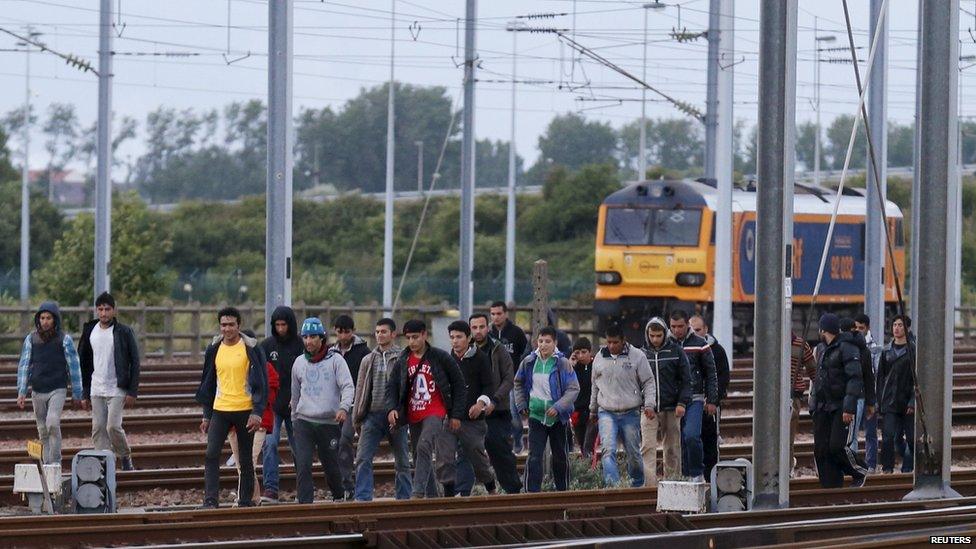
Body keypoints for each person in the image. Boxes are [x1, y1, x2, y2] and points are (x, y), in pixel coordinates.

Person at [195, 307, 268, 508]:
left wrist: (257, 412)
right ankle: (211, 499)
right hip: (221, 409)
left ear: (239, 326)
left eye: (231, 325)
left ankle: (245, 500)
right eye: (223, 325)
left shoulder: (251, 348)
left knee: (245, 459)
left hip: (244, 409)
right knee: (211, 453)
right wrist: (206, 415)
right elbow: (208, 383)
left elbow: (262, 381)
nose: (227, 329)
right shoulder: (214, 349)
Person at [386, 319, 466, 499]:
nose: (412, 342)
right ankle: (432, 497)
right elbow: (391, 386)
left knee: (424, 445)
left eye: (415, 337)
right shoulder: (403, 360)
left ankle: (418, 492)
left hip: (435, 411)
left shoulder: (440, 357)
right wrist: (392, 408)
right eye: (408, 338)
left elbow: (459, 384)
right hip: (414, 413)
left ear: (424, 335)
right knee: (419, 454)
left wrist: (455, 414)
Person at [291, 317, 354, 503]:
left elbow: (348, 386)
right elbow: (295, 394)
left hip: (328, 421)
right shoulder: (299, 362)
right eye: (305, 337)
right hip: (304, 421)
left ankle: (338, 496)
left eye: (313, 337)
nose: (309, 341)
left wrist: (344, 407)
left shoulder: (336, 360)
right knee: (302, 464)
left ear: (322, 338)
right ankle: (305, 504)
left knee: (331, 466)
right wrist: (294, 417)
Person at [78, 292, 140, 471]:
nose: (104, 313)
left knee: (113, 426)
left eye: (107, 309)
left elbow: (134, 362)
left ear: (114, 310)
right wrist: (84, 391)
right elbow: (84, 362)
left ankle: (125, 455)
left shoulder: (123, 332)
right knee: (98, 428)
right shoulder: (90, 330)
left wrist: (132, 391)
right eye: (100, 309)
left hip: (117, 387)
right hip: (96, 387)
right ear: (96, 311)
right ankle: (104, 464)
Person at [352, 318, 412, 501]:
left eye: (384, 332)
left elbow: (407, 387)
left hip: (396, 416)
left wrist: (403, 413)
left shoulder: (403, 357)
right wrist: (357, 418)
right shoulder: (368, 360)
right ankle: (362, 497)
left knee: (402, 460)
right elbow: (361, 389)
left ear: (393, 334)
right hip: (372, 415)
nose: (379, 335)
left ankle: (404, 497)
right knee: (363, 457)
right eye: (377, 332)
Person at [17, 301, 84, 465]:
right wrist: (22, 391)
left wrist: (77, 393)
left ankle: (56, 461)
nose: (45, 321)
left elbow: (74, 367)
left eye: (48, 318)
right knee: (42, 429)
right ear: (38, 319)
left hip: (58, 389)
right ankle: (46, 463)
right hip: (38, 390)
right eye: (42, 318)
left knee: (52, 423)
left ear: (55, 320)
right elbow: (25, 365)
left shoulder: (64, 339)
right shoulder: (31, 339)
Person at [514, 326, 580, 492]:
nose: (543, 345)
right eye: (541, 341)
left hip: (558, 418)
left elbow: (573, 388)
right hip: (536, 415)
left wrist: (558, 407)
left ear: (555, 343)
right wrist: (522, 404)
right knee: (534, 456)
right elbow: (518, 382)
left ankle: (562, 490)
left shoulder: (562, 363)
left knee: (560, 456)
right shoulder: (529, 362)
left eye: (547, 341)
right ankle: (532, 491)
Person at [590, 324, 656, 488]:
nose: (611, 346)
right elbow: (595, 385)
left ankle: (637, 483)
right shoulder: (599, 357)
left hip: (630, 412)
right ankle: (614, 487)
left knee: (633, 453)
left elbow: (648, 381)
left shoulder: (637, 356)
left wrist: (649, 404)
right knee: (607, 450)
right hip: (606, 411)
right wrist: (592, 409)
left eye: (615, 342)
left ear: (623, 341)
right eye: (609, 342)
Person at [436, 320, 497, 497]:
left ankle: (491, 489)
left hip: (472, 420)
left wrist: (480, 404)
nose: (455, 341)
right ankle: (448, 496)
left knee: (477, 457)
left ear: (468, 338)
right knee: (444, 457)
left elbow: (488, 386)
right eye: (452, 337)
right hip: (449, 417)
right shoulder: (447, 360)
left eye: (459, 337)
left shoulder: (480, 359)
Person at [464, 313, 521, 494]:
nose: (478, 331)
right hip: (472, 411)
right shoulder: (466, 349)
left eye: (482, 327)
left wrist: (495, 400)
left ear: (487, 327)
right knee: (467, 453)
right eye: (474, 327)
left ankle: (513, 492)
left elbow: (508, 378)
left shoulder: (498, 349)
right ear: (470, 329)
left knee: (500, 451)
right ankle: (464, 492)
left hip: (497, 410)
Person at [811, 313, 868, 489]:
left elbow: (854, 379)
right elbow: (818, 380)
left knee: (836, 446)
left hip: (840, 406)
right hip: (822, 407)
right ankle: (830, 486)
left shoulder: (847, 348)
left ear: (823, 329)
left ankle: (859, 471)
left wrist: (849, 408)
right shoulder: (821, 349)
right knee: (821, 448)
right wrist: (814, 405)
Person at [258, 306, 304, 502]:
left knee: (300, 448)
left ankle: (303, 488)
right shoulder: (267, 346)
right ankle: (270, 488)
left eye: (284, 324)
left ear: (290, 325)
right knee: (269, 445)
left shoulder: (301, 345)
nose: (280, 329)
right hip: (273, 407)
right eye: (277, 325)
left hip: (297, 406)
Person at [641, 317, 691, 485]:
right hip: (648, 408)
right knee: (647, 447)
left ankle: (673, 482)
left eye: (659, 335)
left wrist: (682, 402)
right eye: (652, 335)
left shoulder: (676, 352)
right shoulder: (642, 354)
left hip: (672, 407)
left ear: (664, 334)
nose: (655, 339)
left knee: (672, 448)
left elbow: (686, 380)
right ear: (647, 335)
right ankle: (649, 486)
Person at [669, 310, 717, 482]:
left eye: (680, 326)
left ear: (687, 325)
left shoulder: (700, 343)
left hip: (695, 397)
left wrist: (712, 399)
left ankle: (696, 474)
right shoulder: (666, 344)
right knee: (676, 441)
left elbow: (711, 373)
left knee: (691, 435)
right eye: (673, 326)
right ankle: (682, 474)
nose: (676, 330)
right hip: (672, 400)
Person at [229, 353, 278, 505]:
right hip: (234, 423)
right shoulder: (231, 365)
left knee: (247, 462)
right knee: (240, 464)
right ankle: (254, 499)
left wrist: (252, 401)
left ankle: (243, 499)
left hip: (259, 422)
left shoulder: (266, 368)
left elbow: (270, 394)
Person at [331, 314, 370, 500]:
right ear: (335, 331)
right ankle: (344, 483)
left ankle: (350, 484)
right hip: (336, 403)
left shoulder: (363, 351)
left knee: (346, 440)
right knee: (337, 444)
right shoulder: (331, 352)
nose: (343, 336)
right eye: (340, 332)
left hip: (356, 403)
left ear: (353, 332)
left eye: (347, 332)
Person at [689, 314, 729, 480]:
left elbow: (723, 376)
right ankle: (693, 475)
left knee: (710, 440)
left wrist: (714, 399)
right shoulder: (685, 348)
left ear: (705, 329)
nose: (695, 333)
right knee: (690, 438)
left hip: (709, 404)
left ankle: (711, 477)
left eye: (698, 329)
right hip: (689, 403)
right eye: (692, 329)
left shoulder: (717, 351)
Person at [489, 301, 529, 453]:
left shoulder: (516, 333)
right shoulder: (488, 334)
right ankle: (502, 443)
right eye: (493, 314)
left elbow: (525, 354)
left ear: (505, 314)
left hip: (512, 380)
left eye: (499, 314)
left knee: (514, 414)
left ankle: (517, 440)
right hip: (493, 381)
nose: (496, 317)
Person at [877, 314, 915, 474]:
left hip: (907, 402)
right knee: (888, 437)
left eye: (900, 325)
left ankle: (907, 468)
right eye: (895, 325)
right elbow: (880, 378)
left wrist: (912, 402)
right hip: (890, 402)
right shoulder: (886, 351)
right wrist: (879, 400)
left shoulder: (913, 350)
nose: (897, 328)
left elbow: (918, 379)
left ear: (907, 329)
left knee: (911, 439)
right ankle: (887, 468)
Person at [841, 316, 877, 481]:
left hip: (854, 397)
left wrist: (870, 401)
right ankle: (852, 467)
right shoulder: (864, 350)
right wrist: (871, 402)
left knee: (849, 436)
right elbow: (869, 378)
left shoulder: (843, 348)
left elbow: (868, 377)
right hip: (860, 397)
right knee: (852, 436)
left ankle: (852, 469)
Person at [853, 313, 883, 472]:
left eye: (861, 328)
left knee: (870, 432)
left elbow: (877, 375)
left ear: (867, 328)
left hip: (869, 396)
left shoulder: (875, 348)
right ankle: (855, 464)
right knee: (853, 433)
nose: (858, 331)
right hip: (856, 396)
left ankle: (871, 464)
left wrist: (875, 398)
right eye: (856, 328)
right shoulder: (851, 346)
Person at [789, 331, 817, 476]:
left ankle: (787, 467)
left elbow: (813, 370)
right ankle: (785, 467)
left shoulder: (801, 345)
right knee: (786, 435)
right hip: (785, 396)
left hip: (793, 396)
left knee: (788, 435)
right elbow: (813, 370)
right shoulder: (801, 344)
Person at [569, 338, 598, 459]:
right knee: (582, 444)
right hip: (577, 412)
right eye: (577, 353)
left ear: (590, 352)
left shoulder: (596, 366)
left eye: (584, 352)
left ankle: (591, 470)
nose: (581, 356)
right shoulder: (572, 369)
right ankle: (588, 470)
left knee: (588, 445)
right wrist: (570, 367)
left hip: (592, 411)